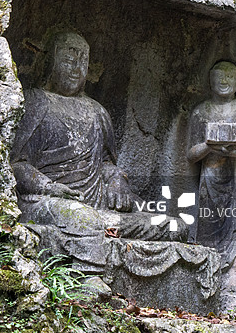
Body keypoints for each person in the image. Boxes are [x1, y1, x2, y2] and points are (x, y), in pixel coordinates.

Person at [11, 31, 185, 249]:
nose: (76, 69)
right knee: (83, 219)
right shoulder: (36, 102)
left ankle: (98, 227)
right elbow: (16, 164)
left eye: (83, 62)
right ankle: (90, 275)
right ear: (50, 62)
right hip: (48, 200)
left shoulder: (97, 111)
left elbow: (104, 163)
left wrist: (116, 180)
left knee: (174, 225)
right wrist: (49, 187)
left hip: (98, 200)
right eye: (68, 60)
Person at [187, 61, 236, 294]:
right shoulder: (201, 112)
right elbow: (191, 154)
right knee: (207, 229)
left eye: (230, 77)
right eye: (219, 76)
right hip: (209, 179)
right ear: (210, 79)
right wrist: (209, 147)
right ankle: (206, 273)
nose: (224, 81)